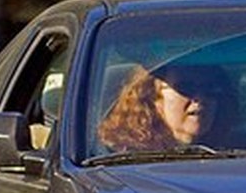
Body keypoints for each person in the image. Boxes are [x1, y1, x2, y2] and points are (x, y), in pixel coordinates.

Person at [98, 63, 236, 151]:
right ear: (152, 97)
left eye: (210, 89)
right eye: (185, 88)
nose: (200, 98)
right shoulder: (122, 159)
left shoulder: (238, 159)